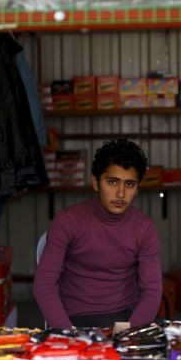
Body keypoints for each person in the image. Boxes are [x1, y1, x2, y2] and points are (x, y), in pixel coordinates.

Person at [33, 138, 162, 329]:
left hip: (125, 319)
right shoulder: (67, 221)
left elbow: (152, 292)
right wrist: (67, 332)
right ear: (95, 182)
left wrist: (129, 330)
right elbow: (44, 285)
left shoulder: (144, 229)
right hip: (73, 320)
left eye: (129, 184)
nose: (120, 193)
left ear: (137, 187)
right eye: (112, 182)